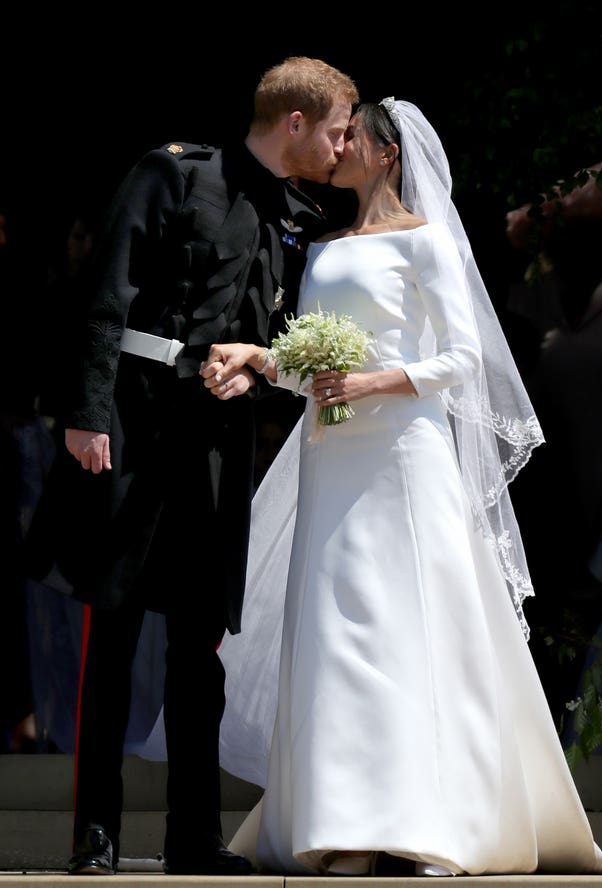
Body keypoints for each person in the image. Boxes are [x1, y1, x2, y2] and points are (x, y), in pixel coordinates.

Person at [199, 99, 602, 876]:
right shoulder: (324, 246)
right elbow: (310, 362)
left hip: (404, 451)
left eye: (351, 139)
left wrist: (372, 379)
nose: (338, 150)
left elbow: (463, 358)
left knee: (411, 627)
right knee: (337, 632)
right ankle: (342, 825)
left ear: (387, 153)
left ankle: (428, 819)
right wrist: (265, 360)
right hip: (332, 454)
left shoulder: (428, 242)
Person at [25, 56, 359, 876]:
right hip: (134, 427)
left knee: (196, 644)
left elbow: (281, 333)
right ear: (297, 121)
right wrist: (87, 414)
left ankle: (192, 836)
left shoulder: (294, 214)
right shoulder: (174, 173)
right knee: (114, 633)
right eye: (338, 127)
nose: (342, 144)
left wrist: (255, 367)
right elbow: (105, 291)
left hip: (218, 446)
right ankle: (95, 833)